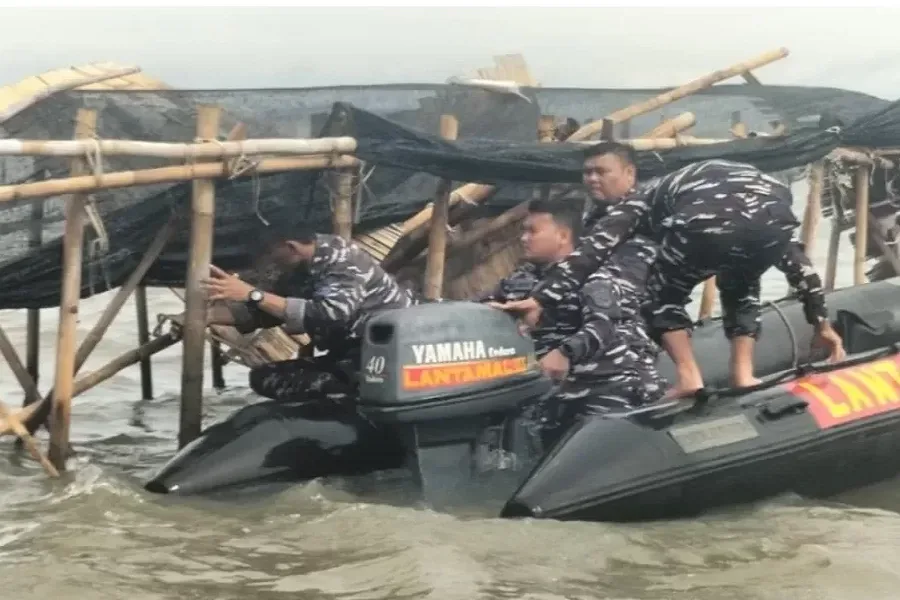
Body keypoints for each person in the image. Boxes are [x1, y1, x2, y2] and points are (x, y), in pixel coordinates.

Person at [493, 142, 846, 398]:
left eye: (601, 171)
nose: (592, 179)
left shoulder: (640, 203)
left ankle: (690, 377)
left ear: (630, 174)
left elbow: (591, 252)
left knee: (663, 293)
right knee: (742, 281)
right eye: (587, 172)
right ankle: (743, 374)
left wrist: (540, 299)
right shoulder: (683, 192)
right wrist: (822, 325)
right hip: (775, 213)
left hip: (708, 214)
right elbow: (798, 264)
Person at [481, 198, 666, 418]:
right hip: (543, 394)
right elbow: (480, 308)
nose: (523, 238)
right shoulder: (518, 280)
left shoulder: (593, 277)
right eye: (524, 231)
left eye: (532, 231)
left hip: (600, 392)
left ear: (563, 236)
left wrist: (565, 353)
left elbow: (604, 325)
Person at [200, 222, 420, 403]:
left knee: (291, 383)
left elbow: (331, 314)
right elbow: (270, 310)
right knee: (264, 377)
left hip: (383, 357)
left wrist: (253, 294)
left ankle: (352, 402)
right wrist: (206, 317)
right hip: (347, 354)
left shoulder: (342, 259)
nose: (269, 262)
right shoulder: (298, 268)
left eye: (270, 254)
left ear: (291, 247)